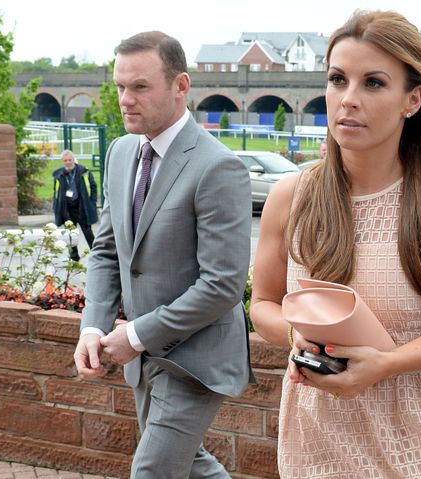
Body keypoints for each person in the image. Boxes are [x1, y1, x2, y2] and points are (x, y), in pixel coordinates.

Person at [250, 10, 421, 479]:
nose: (348, 99)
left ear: (413, 99)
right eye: (338, 79)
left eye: (374, 83)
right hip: (318, 438)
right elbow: (262, 303)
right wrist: (295, 336)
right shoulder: (291, 196)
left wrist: (385, 364)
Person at [72, 31, 253, 479]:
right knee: (191, 466)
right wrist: (92, 326)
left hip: (196, 362)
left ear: (181, 86)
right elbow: (108, 251)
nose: (125, 99)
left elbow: (223, 285)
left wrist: (134, 336)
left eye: (140, 87)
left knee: (153, 471)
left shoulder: (218, 167)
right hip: (146, 359)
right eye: (119, 87)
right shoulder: (119, 153)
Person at [52, 150, 98, 261]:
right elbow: (56, 192)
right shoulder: (59, 175)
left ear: (73, 160)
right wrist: (56, 206)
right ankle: (74, 257)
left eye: (70, 160)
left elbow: (93, 187)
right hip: (67, 210)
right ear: (63, 162)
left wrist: (92, 202)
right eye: (65, 160)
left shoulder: (84, 172)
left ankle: (97, 255)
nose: (68, 162)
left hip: (83, 208)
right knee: (70, 235)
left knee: (88, 233)